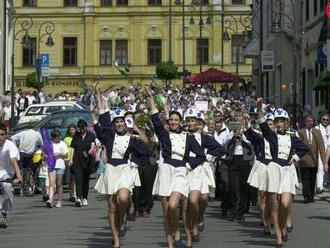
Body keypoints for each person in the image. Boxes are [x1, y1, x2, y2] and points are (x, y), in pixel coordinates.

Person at [149, 95, 205, 248]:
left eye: (176, 120)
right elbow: (154, 118)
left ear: (180, 122)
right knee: (167, 210)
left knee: (174, 205)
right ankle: (171, 243)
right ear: (168, 122)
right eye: (171, 120)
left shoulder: (189, 137)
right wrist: (150, 98)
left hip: (181, 171)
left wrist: (188, 165)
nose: (173, 122)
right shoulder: (164, 134)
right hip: (165, 170)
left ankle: (179, 232)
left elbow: (201, 156)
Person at [93, 105, 147, 248]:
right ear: (113, 124)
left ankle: (122, 219)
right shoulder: (108, 136)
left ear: (125, 123)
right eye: (116, 122)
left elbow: (146, 148)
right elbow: (103, 124)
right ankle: (115, 238)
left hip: (125, 170)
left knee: (123, 198)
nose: (119, 124)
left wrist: (134, 163)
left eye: (121, 121)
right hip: (111, 170)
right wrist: (100, 101)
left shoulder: (132, 138)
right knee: (111, 207)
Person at [259, 107, 308, 248]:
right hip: (274, 169)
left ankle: (283, 225)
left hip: (286, 170)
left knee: (285, 203)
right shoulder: (271, 135)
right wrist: (260, 109)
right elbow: (263, 126)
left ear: (287, 123)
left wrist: (295, 157)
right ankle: (278, 235)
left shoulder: (292, 137)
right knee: (274, 205)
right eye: (277, 121)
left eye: (282, 121)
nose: (279, 124)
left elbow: (304, 149)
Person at [298, 115, 326, 204]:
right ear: (304, 122)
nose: (310, 123)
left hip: (314, 160)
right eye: (308, 121)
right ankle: (306, 196)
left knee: (312, 179)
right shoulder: (300, 132)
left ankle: (311, 196)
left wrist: (324, 162)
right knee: (305, 179)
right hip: (303, 160)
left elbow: (321, 147)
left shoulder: (317, 132)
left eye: (312, 121)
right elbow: (297, 146)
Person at [0, 123, 22, 228]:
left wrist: (19, 176)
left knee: (7, 187)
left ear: (5, 134)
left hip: (6, 172)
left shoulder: (10, 145)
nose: (0, 137)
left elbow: (14, 161)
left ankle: (3, 215)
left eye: (2, 134)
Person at [70, 119, 96, 207]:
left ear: (86, 127)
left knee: (85, 180)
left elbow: (93, 145)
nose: (81, 130)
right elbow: (73, 148)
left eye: (82, 128)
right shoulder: (76, 136)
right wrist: (71, 159)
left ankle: (85, 197)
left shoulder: (91, 135)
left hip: (88, 161)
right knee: (78, 179)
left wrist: (91, 150)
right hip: (77, 160)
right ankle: (78, 198)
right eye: (79, 128)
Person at [46, 129, 68, 208]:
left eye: (58, 136)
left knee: (59, 183)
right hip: (51, 165)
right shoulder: (49, 144)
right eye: (55, 137)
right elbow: (45, 154)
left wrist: (59, 154)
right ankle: (50, 200)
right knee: (51, 183)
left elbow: (66, 155)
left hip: (60, 165)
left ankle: (59, 200)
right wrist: (46, 156)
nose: (57, 138)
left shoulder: (62, 144)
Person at [315, 113, 329, 193]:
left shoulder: (329, 128)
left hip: (328, 150)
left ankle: (324, 182)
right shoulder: (317, 128)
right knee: (320, 167)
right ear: (321, 119)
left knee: (325, 168)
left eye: (327, 120)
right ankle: (319, 186)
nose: (325, 121)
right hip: (320, 151)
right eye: (324, 119)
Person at [64, 124, 77, 202]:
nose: (71, 131)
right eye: (70, 130)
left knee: (75, 178)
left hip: (76, 160)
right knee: (69, 179)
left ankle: (74, 193)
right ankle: (71, 193)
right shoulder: (66, 139)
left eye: (73, 130)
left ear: (76, 130)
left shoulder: (78, 138)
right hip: (68, 160)